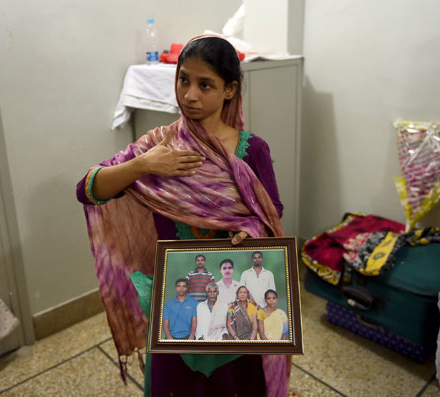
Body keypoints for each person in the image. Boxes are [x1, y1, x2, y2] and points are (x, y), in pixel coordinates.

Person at [76, 35, 287, 396]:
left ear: (229, 90)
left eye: (205, 85)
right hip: (176, 296)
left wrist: (252, 231)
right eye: (183, 80)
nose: (189, 95)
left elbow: (271, 212)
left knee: (233, 384)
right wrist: (144, 164)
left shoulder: (252, 149)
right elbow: (87, 189)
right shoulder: (158, 145)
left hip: (233, 296)